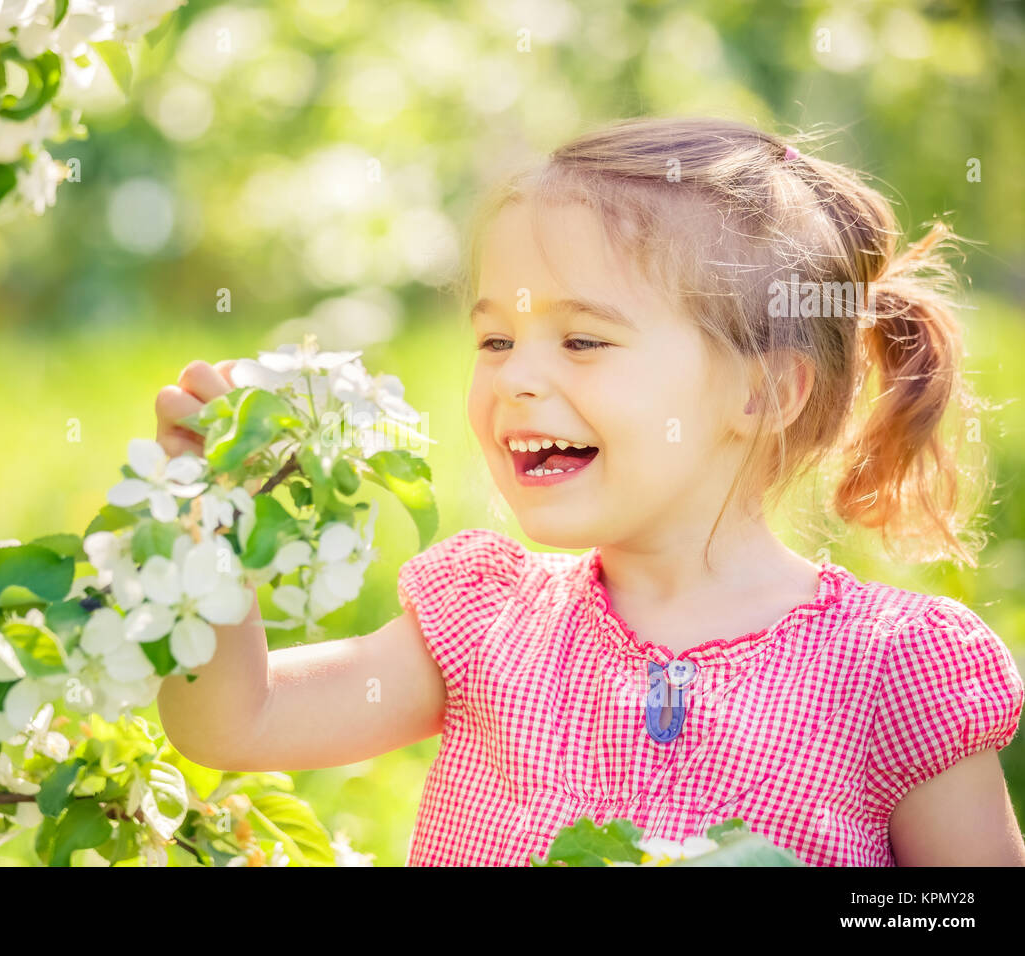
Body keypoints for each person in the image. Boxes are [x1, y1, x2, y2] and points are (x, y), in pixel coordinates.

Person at [156, 117, 1025, 866]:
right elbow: (237, 722)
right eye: (495, 340)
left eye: (582, 341)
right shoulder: (482, 626)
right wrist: (204, 518)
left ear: (762, 393)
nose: (519, 379)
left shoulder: (892, 669)